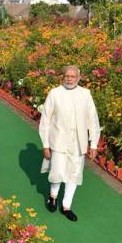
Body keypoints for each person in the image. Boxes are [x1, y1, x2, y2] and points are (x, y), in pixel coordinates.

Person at [38, 65, 100, 221]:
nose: (70, 79)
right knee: (57, 172)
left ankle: (66, 206)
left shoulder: (85, 94)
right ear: (62, 76)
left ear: (79, 78)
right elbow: (45, 120)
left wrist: (93, 144)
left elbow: (92, 120)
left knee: (74, 174)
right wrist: (45, 144)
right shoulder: (55, 93)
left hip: (78, 142)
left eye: (73, 76)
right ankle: (53, 197)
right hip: (58, 140)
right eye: (67, 76)